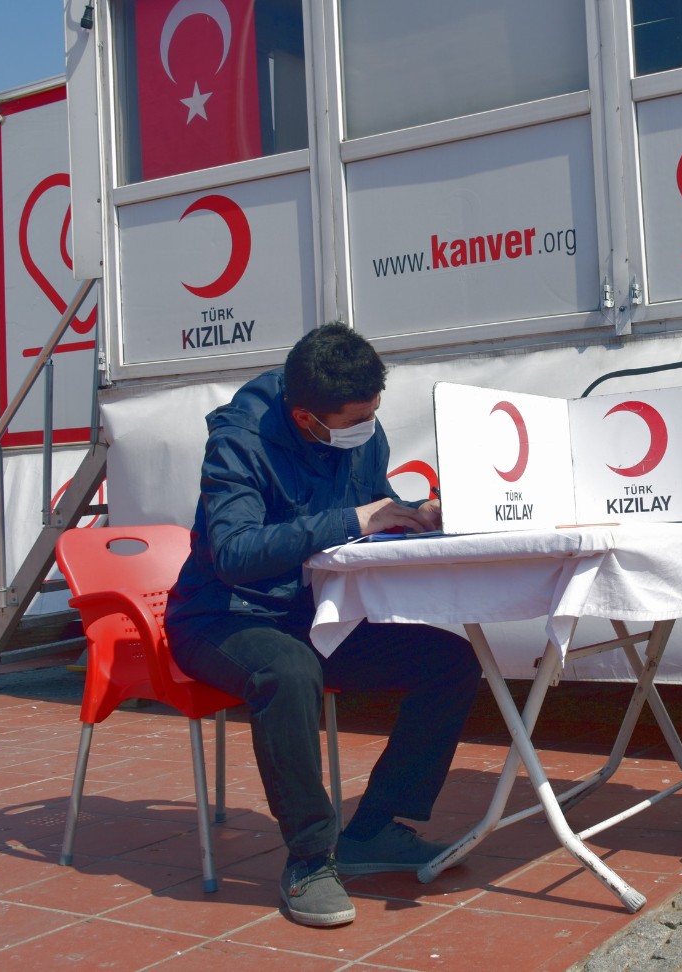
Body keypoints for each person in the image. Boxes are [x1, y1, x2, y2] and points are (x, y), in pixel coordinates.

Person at [165, 322, 481, 927]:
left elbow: (371, 505)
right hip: (222, 616)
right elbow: (234, 552)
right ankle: (309, 859)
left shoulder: (359, 429)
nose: (369, 427)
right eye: (357, 419)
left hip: (314, 612)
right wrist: (355, 518)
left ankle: (375, 829)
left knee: (451, 661)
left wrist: (413, 516)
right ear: (304, 416)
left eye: (375, 412)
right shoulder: (239, 441)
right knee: (288, 672)